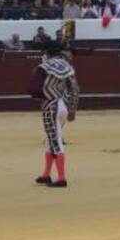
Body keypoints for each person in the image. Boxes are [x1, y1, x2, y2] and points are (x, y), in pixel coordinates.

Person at [27, 40, 80, 188]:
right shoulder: (67, 65)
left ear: (47, 52)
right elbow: (74, 89)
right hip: (63, 105)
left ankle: (62, 178)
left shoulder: (43, 66)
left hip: (50, 106)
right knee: (50, 140)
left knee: (54, 141)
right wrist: (73, 108)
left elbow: (33, 87)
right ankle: (46, 175)